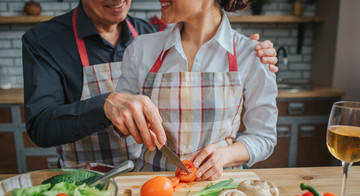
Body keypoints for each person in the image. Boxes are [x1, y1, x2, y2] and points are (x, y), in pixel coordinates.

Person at [22, 0, 278, 170]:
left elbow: (263, 135)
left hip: (165, 181)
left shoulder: (143, 34)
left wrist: (249, 52)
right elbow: (41, 127)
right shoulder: (45, 42)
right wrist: (105, 106)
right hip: (90, 180)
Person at [114, 0, 278, 180]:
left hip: (216, 191)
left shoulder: (251, 54)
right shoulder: (141, 49)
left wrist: (223, 156)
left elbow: (263, 137)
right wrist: (127, 119)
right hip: (150, 188)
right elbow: (119, 126)